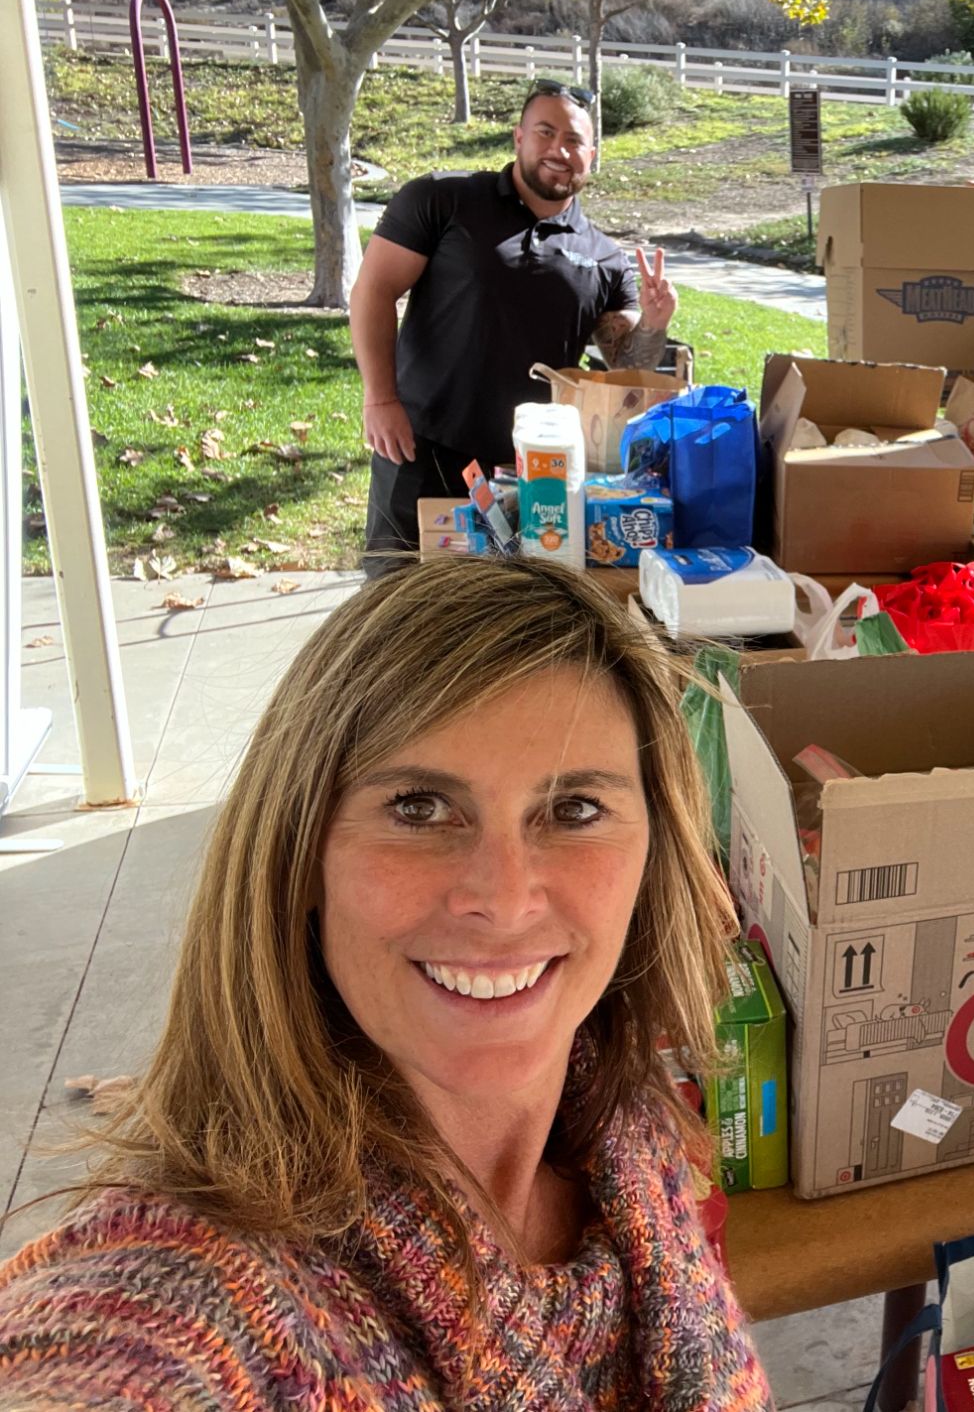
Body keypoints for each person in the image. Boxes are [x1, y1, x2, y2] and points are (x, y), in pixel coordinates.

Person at [0, 560, 772, 1409]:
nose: (504, 900)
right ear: (298, 855)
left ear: (655, 852)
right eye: (418, 808)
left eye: (575, 809)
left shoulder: (629, 1138)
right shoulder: (183, 1308)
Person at [350, 80, 680, 576]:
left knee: (505, 610)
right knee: (395, 599)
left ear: (591, 156)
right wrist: (380, 400)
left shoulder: (604, 258)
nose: (559, 150)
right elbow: (373, 291)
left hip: (533, 473)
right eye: (545, 132)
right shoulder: (443, 199)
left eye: (574, 141)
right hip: (422, 447)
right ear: (519, 137)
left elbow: (626, 366)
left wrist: (654, 320)